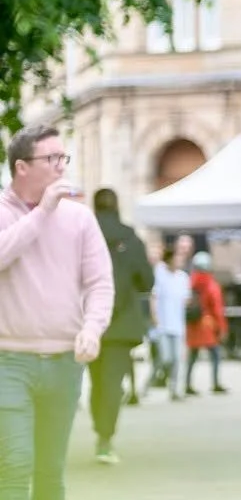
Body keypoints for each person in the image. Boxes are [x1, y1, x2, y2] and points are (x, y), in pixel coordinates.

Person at [0, 128, 113, 500]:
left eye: (63, 157)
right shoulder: (10, 213)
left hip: (65, 361)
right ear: (22, 166)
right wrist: (42, 212)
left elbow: (100, 282)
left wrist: (93, 327)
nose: (61, 167)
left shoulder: (81, 219)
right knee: (15, 464)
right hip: (9, 359)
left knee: (50, 470)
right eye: (51, 158)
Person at [89, 189, 154, 464]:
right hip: (121, 324)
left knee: (97, 381)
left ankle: (100, 427)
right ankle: (105, 438)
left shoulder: (83, 235)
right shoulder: (130, 238)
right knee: (113, 382)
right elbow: (147, 281)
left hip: (89, 321)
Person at [150, 236, 193, 401]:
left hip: (178, 324)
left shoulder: (183, 278)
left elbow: (186, 300)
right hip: (163, 323)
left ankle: (174, 389)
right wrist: (155, 316)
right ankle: (149, 382)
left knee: (177, 359)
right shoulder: (160, 273)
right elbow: (154, 296)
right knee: (164, 357)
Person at [184, 250, 228, 395]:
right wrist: (222, 328)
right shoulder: (211, 285)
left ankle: (187, 384)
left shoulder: (189, 283)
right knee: (215, 355)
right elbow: (217, 309)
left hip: (192, 325)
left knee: (192, 356)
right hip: (208, 325)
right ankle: (215, 383)